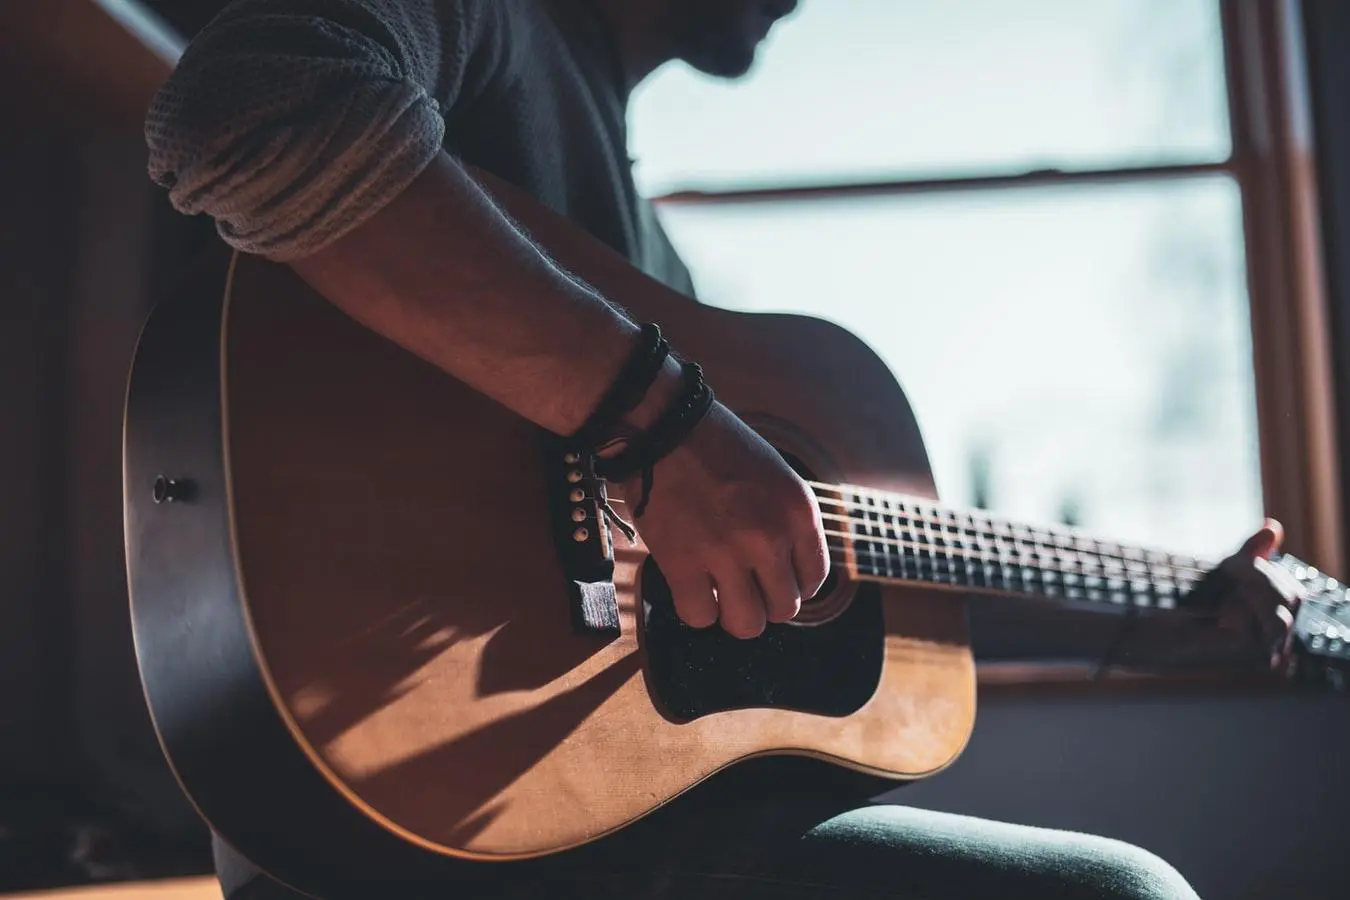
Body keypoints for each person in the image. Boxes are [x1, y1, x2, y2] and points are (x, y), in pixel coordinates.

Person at [143, 1, 1303, 897]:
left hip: (595, 813)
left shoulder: (651, 258)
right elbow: (249, 104)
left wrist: (1168, 599)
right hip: (413, 827)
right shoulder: (493, 22)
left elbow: (834, 581)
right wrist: (658, 427)